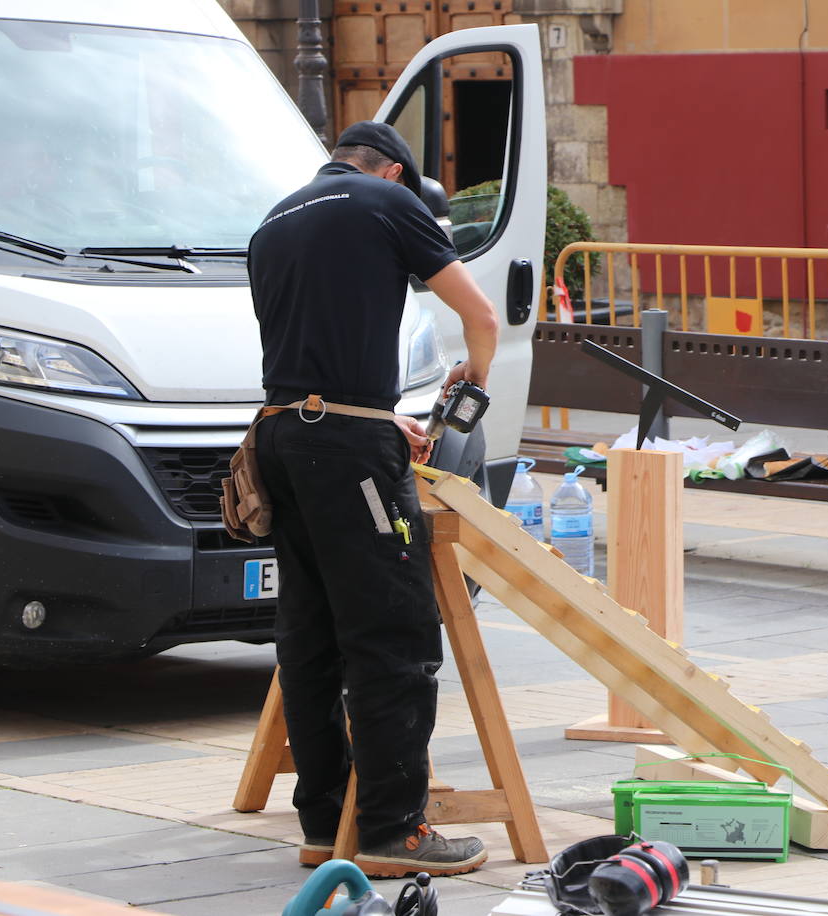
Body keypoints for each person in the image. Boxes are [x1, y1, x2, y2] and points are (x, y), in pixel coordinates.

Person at [247, 121, 499, 878]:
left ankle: (325, 827)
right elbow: (481, 316)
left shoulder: (273, 219)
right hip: (347, 451)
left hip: (280, 437)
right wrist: (472, 376)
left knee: (311, 632)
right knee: (392, 633)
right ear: (393, 172)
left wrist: (369, 412)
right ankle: (396, 830)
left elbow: (306, 356)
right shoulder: (385, 202)